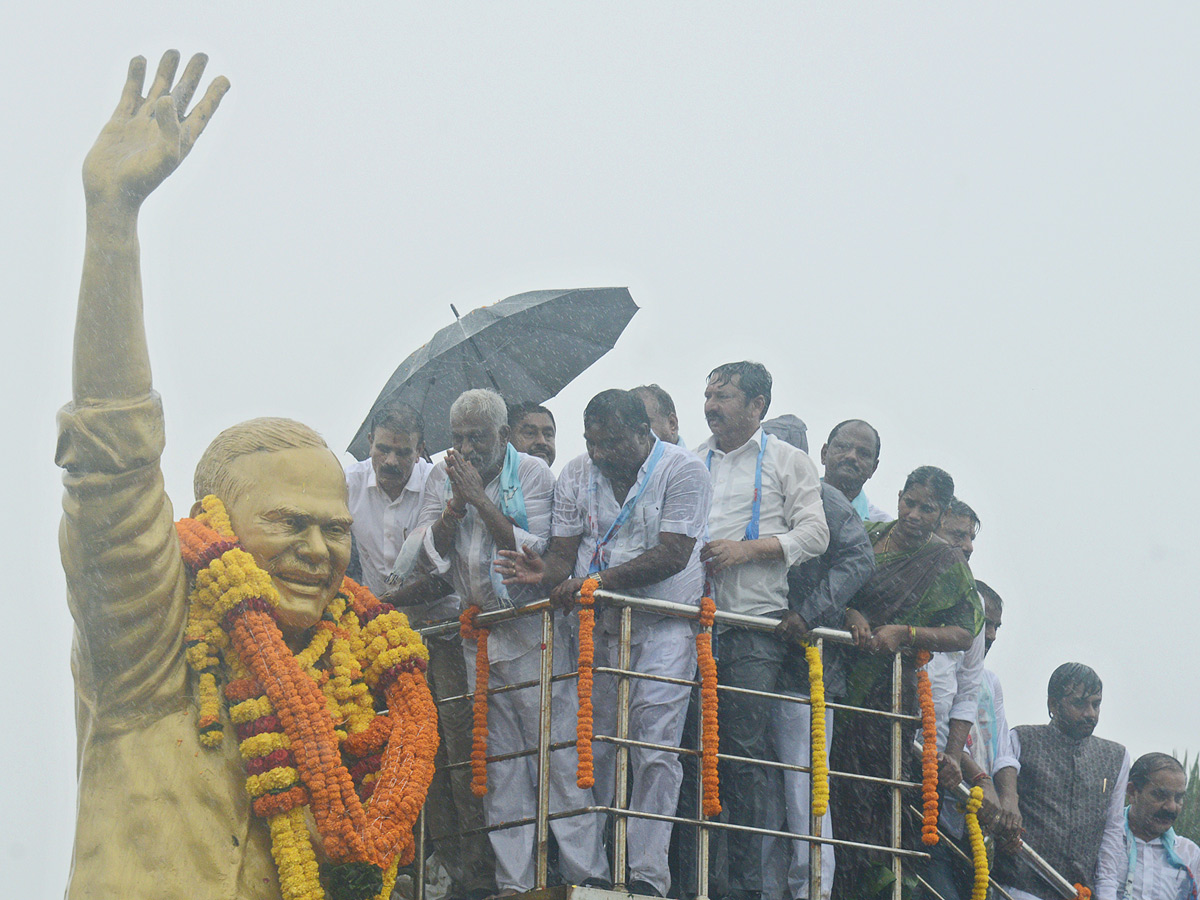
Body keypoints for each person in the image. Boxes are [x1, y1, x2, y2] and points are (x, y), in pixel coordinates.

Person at [56, 52, 437, 899]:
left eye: (335, 530)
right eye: (289, 525)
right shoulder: (150, 650)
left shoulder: (358, 703)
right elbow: (113, 467)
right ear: (216, 523)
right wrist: (113, 221)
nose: (317, 549)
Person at [498, 388, 712, 897]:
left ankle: (647, 876)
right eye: (592, 442)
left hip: (663, 626)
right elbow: (565, 558)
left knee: (655, 752)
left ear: (644, 434)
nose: (599, 454)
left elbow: (673, 555)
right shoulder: (576, 472)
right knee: (594, 750)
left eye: (611, 443)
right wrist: (542, 572)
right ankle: (597, 869)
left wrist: (597, 583)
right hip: (598, 632)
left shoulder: (683, 470)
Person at [412, 389, 609, 894]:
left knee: (559, 758)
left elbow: (537, 556)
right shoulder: (442, 475)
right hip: (477, 642)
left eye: (475, 437)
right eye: (456, 437)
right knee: (499, 772)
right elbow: (430, 558)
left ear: (502, 435)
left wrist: (480, 497)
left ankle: (586, 877)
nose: (465, 447)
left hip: (532, 635)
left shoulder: (537, 476)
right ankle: (514, 884)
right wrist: (454, 509)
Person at [346, 401, 494, 900]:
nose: (390, 461)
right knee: (390, 757)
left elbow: (439, 565)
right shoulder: (347, 485)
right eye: (382, 449)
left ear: (420, 451)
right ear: (370, 444)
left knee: (454, 755)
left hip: (440, 639)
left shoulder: (435, 481)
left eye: (402, 452)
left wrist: (384, 601)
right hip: (381, 649)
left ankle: (470, 873)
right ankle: (408, 864)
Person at [697, 361, 830, 900]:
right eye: (707, 394)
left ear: (758, 406)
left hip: (754, 628)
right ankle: (701, 879)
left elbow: (816, 534)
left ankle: (747, 889)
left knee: (743, 755)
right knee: (695, 753)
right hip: (693, 626)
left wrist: (747, 550)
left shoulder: (786, 460)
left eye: (724, 396)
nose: (710, 405)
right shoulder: (690, 460)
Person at [828, 466, 981, 900]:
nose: (914, 515)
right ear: (897, 497)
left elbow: (965, 631)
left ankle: (861, 885)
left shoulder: (945, 562)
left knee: (872, 798)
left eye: (926, 509)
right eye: (909, 503)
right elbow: (832, 587)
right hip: (838, 680)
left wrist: (906, 634)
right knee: (830, 787)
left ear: (942, 513)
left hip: (891, 697)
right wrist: (850, 614)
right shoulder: (868, 535)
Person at [762, 479, 876, 900]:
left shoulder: (820, 495)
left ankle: (813, 891)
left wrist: (808, 613)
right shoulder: (740, 480)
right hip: (755, 660)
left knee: (805, 787)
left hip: (808, 668)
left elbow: (860, 560)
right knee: (766, 787)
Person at [919, 580, 1022, 900]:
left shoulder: (990, 681)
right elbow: (928, 730)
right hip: (937, 813)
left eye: (996, 627)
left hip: (979, 822)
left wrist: (1009, 801)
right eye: (984, 623)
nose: (990, 635)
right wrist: (980, 779)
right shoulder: (932, 665)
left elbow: (1004, 751)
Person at [996, 663, 1130, 900]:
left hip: (1079, 892)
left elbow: (1112, 829)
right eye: (1079, 703)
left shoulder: (1116, 757)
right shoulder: (1021, 739)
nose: (1090, 713)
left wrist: (1107, 893)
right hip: (1019, 889)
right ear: (1053, 705)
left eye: (1096, 704)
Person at [927, 499, 986, 803]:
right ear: (931, 533)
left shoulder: (974, 602)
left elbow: (967, 690)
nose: (969, 547)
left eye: (971, 538)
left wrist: (952, 757)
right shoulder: (904, 581)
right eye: (958, 536)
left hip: (939, 759)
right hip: (891, 737)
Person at [1097, 753, 1199, 899]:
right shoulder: (1104, 841)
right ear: (1132, 792)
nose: (1171, 807)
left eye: (1178, 798)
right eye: (1160, 795)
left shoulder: (1190, 855)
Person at [820, 420, 891, 522]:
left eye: (863, 453)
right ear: (824, 453)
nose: (851, 456)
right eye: (843, 447)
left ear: (873, 468)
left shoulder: (881, 529)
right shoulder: (793, 498)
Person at [508, 400, 557, 467]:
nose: (542, 441)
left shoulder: (569, 476)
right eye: (530, 433)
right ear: (507, 438)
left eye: (548, 435)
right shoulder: (493, 477)